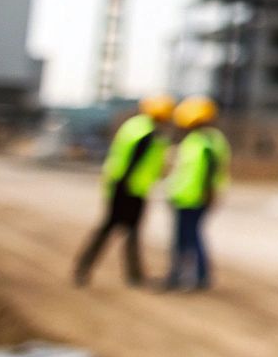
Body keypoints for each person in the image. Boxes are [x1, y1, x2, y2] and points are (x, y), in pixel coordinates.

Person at [72, 94, 175, 287]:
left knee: (116, 230)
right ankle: (129, 275)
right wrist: (126, 189)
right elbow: (134, 163)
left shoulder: (135, 126)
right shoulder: (148, 134)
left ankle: (86, 269)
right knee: (121, 230)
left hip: (121, 186)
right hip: (129, 190)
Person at [164, 94, 229, 292]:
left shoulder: (206, 142)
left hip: (195, 199)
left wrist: (208, 194)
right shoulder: (199, 139)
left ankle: (196, 277)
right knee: (183, 239)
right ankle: (180, 275)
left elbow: (210, 172)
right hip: (183, 197)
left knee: (191, 238)